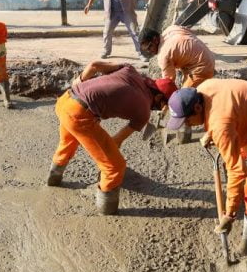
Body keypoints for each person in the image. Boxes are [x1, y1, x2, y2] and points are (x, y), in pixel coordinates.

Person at [165, 80, 247, 255]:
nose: (186, 125)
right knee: (233, 158)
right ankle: (236, 199)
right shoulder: (200, 92)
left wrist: (229, 215)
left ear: (198, 108)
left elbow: (237, 171)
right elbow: (223, 110)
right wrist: (210, 132)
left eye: (186, 121)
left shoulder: (220, 125)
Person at [46, 61, 177, 215]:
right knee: (115, 166)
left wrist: (80, 79)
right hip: (78, 115)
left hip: (65, 100)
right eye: (163, 105)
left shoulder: (130, 70)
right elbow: (117, 140)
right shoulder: (143, 112)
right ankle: (107, 209)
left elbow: (94, 65)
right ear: (159, 97)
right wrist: (108, 155)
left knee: (68, 142)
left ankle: (53, 179)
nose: (161, 109)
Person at [140, 25, 216, 88]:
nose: (149, 51)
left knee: (184, 99)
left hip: (202, 67)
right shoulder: (171, 29)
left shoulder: (163, 54)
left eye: (150, 47)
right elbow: (189, 31)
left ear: (155, 40)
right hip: (208, 56)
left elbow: (168, 83)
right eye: (146, 50)